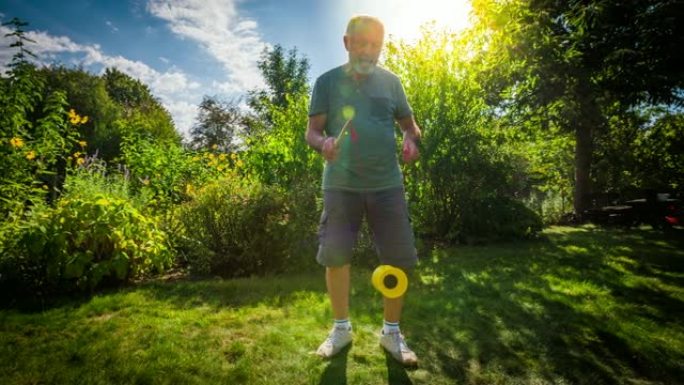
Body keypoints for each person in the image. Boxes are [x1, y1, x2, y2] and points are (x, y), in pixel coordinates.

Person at [305, 15, 422, 366]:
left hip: (387, 184)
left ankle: (391, 334)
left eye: (375, 45)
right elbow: (311, 132)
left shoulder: (392, 83)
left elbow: (410, 126)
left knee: (397, 260)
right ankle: (341, 330)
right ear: (347, 43)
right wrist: (323, 143)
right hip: (341, 185)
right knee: (336, 257)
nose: (368, 51)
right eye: (362, 43)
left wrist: (410, 140)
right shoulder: (327, 82)